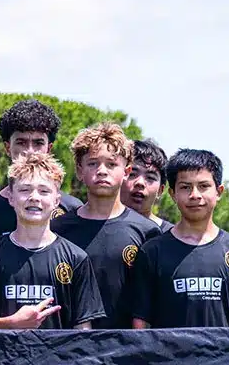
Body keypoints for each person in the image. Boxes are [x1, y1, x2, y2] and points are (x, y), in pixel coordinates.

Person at [0, 154, 105, 330]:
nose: (34, 197)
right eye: (25, 190)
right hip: (3, 350)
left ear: (56, 200)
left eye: (44, 191)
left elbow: (83, 330)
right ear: (11, 197)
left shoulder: (76, 258)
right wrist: (11, 323)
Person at [131, 149, 229, 329]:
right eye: (185, 187)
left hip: (224, 349)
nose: (195, 195)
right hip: (168, 349)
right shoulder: (152, 251)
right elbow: (141, 322)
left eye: (203, 186)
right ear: (172, 194)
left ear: (219, 191)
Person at [51, 123, 161, 328]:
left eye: (111, 164)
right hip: (68, 342)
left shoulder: (147, 231)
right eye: (93, 163)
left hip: (127, 343)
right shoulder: (57, 229)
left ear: (126, 171)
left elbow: (151, 302)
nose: (102, 171)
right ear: (79, 170)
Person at [0, 99, 84, 234]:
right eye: (21, 142)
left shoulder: (72, 209)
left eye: (38, 143)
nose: (30, 151)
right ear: (7, 148)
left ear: (49, 148)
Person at [121, 137, 170, 229]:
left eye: (150, 177)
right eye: (132, 174)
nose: (140, 183)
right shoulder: (99, 225)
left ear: (160, 190)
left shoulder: (170, 234)